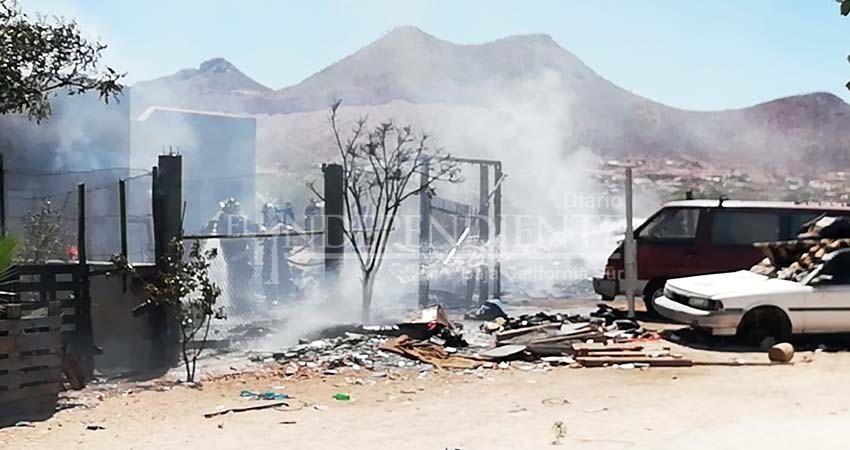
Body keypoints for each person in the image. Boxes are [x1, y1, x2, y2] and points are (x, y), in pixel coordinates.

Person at [206, 198, 260, 313]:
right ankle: (239, 305)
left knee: (241, 279)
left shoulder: (239, 220)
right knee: (235, 279)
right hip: (233, 257)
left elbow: (255, 228)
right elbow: (224, 238)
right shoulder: (223, 220)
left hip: (239, 257)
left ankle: (243, 306)